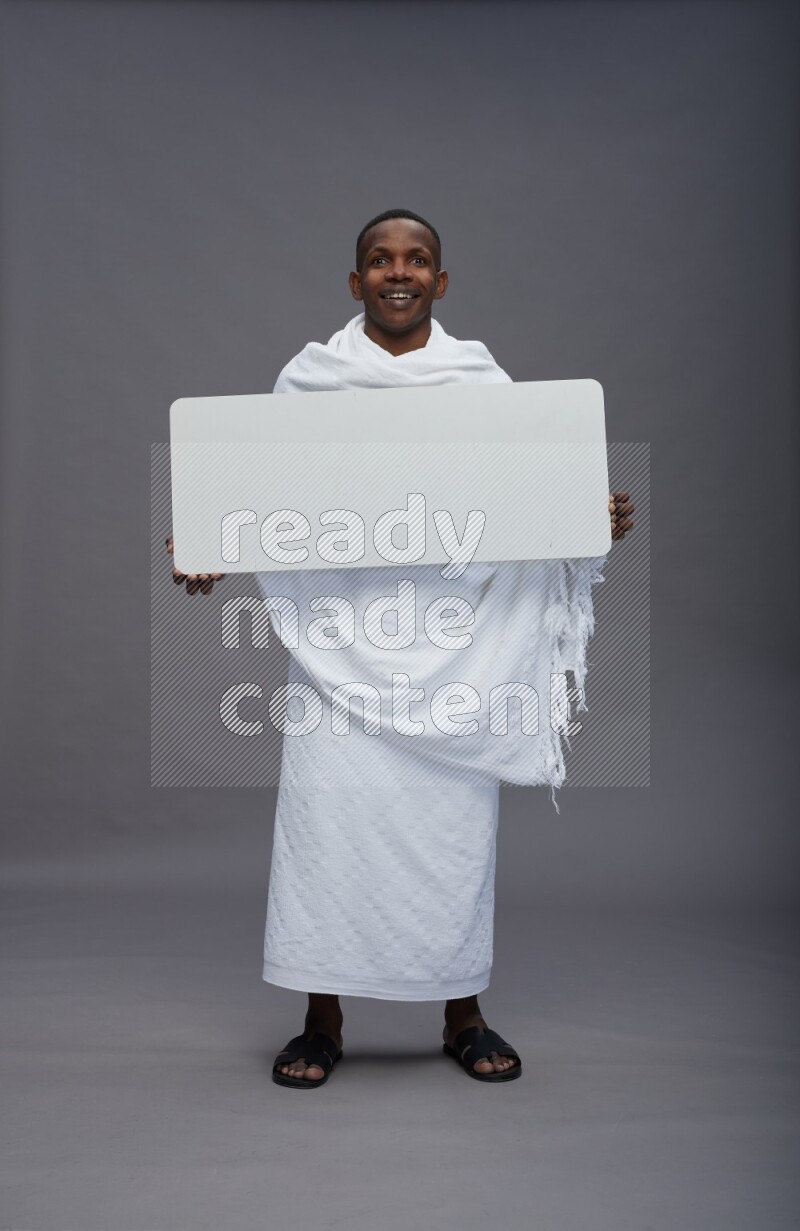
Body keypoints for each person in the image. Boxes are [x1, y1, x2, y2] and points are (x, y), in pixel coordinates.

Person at [167, 209, 633, 1087]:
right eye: (380, 260)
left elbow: (524, 495)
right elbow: (268, 501)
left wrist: (584, 516)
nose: (398, 271)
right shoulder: (309, 380)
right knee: (327, 828)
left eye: (417, 259)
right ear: (355, 283)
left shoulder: (481, 380)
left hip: (454, 647)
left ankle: (462, 1011)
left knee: (451, 829)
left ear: (441, 282)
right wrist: (212, 550)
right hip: (340, 643)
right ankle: (320, 1019)